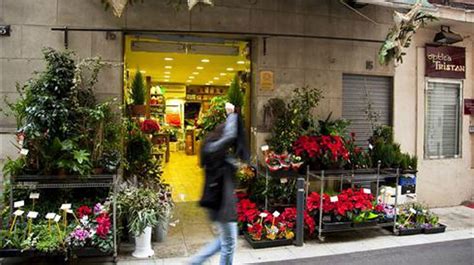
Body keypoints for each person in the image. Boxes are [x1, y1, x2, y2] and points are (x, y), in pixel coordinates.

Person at [190, 102, 249, 265]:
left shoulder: (216, 152)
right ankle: (194, 262)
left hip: (220, 202)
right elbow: (229, 136)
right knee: (229, 242)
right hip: (220, 203)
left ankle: (195, 261)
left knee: (225, 241)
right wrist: (231, 115)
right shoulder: (212, 148)